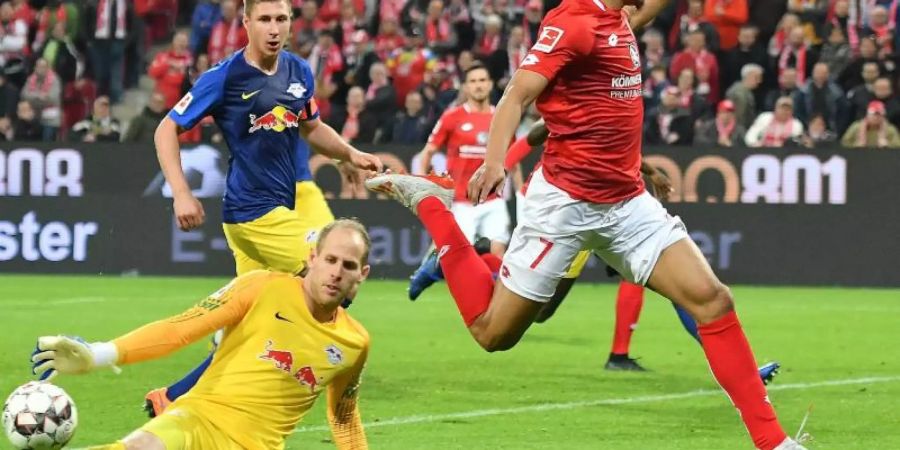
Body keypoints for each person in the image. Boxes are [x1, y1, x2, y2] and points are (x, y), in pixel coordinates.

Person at [364, 0, 806, 448]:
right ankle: (433, 207)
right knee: (493, 333)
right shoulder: (573, 22)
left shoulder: (623, 17)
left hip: (627, 204)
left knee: (713, 300)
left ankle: (774, 443)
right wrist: (495, 160)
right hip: (562, 207)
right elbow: (517, 94)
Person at [147, 0, 381, 417]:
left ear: (291, 23)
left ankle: (174, 398)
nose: (274, 29)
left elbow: (311, 127)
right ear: (246, 23)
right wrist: (180, 192)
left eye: (281, 20)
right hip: (252, 213)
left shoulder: (298, 71)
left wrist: (348, 153)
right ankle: (314, 374)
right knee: (334, 276)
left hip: (270, 212)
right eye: (265, 20)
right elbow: (167, 128)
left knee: (247, 322)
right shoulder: (224, 78)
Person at [31, 219, 373, 450]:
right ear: (312, 258)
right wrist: (98, 354)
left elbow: (344, 417)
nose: (336, 272)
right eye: (330, 259)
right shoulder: (262, 287)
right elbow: (180, 328)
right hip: (196, 421)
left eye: (348, 265)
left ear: (363, 274)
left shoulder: (354, 343)